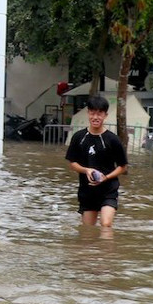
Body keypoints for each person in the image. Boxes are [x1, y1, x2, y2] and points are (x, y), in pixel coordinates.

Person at [64, 95, 129, 227]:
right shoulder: (79, 137)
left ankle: (107, 248)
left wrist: (106, 177)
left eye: (99, 114)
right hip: (87, 191)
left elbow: (123, 167)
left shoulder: (113, 140)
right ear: (88, 113)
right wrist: (86, 170)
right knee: (88, 231)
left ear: (105, 115)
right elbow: (72, 163)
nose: (95, 117)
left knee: (106, 224)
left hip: (108, 190)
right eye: (92, 113)